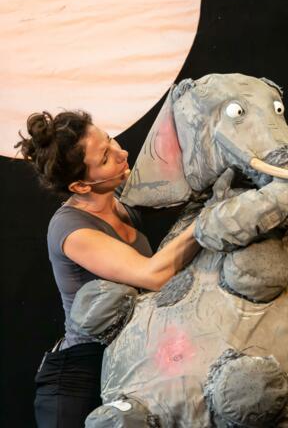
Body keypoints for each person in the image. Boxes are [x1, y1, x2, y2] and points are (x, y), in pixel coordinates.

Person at [16, 110, 202, 427]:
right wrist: (210, 223)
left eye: (110, 140)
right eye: (105, 157)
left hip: (127, 362)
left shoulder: (120, 197)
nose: (121, 153)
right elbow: (154, 275)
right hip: (80, 378)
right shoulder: (70, 229)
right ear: (81, 186)